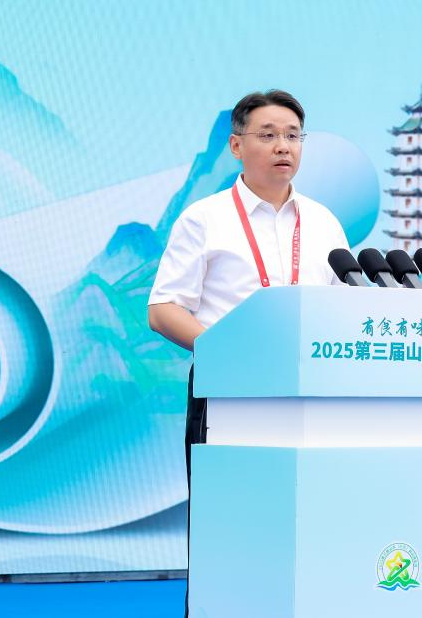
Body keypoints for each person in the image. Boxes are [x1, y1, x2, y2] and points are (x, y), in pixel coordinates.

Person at [147, 89, 349, 616]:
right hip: (228, 393)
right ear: (236, 146)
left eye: (293, 136)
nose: (283, 146)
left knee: (307, 524)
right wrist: (229, 352)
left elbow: (342, 305)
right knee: (227, 528)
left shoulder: (324, 223)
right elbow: (163, 308)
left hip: (310, 398)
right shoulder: (205, 218)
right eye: (268, 135)